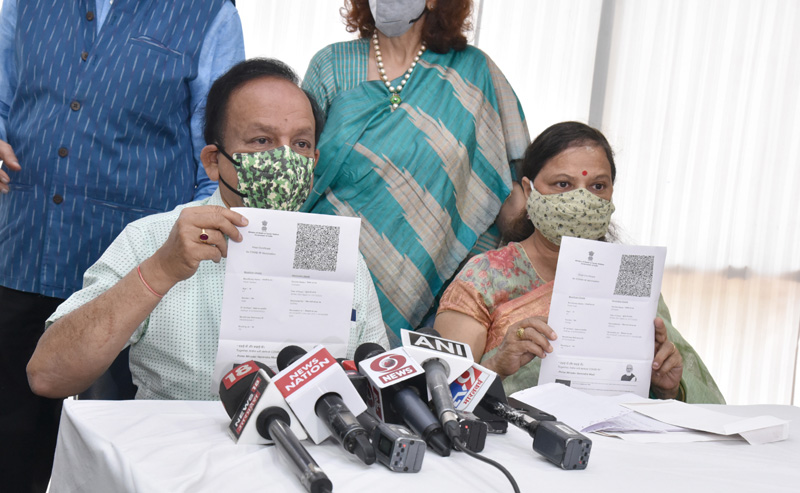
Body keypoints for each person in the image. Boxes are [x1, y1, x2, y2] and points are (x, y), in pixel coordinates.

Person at [27, 58, 389, 403]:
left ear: (313, 162)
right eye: (261, 141)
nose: (285, 159)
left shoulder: (337, 255)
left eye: (301, 144)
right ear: (214, 161)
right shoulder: (153, 239)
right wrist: (160, 271)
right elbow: (46, 375)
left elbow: (377, 388)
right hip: (176, 445)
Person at [0, 1, 245, 490]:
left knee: (114, 453)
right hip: (23, 255)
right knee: (11, 441)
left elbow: (216, 154)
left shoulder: (209, 13)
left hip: (136, 285)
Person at [434, 122, 725, 404]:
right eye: (563, 184)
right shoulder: (485, 276)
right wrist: (497, 365)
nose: (582, 199)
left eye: (598, 185)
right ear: (530, 190)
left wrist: (668, 389)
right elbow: (438, 397)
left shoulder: (631, 273)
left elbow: (662, 398)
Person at [301, 0, 529, 341]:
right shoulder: (331, 64)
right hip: (324, 264)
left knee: (396, 371)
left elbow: (512, 179)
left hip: (425, 282)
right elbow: (294, 160)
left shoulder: (473, 72)